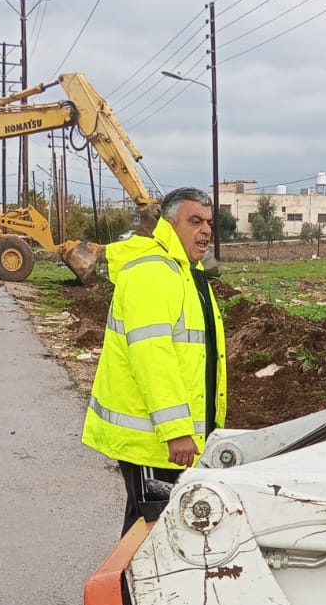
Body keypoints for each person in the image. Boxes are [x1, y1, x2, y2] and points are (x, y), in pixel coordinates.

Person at [82, 186, 227, 535]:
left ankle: (129, 590)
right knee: (152, 533)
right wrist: (177, 430)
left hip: (167, 437)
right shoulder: (153, 273)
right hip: (153, 440)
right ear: (169, 224)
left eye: (208, 222)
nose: (205, 230)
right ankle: (126, 591)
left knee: (154, 529)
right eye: (195, 221)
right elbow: (152, 356)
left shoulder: (185, 272)